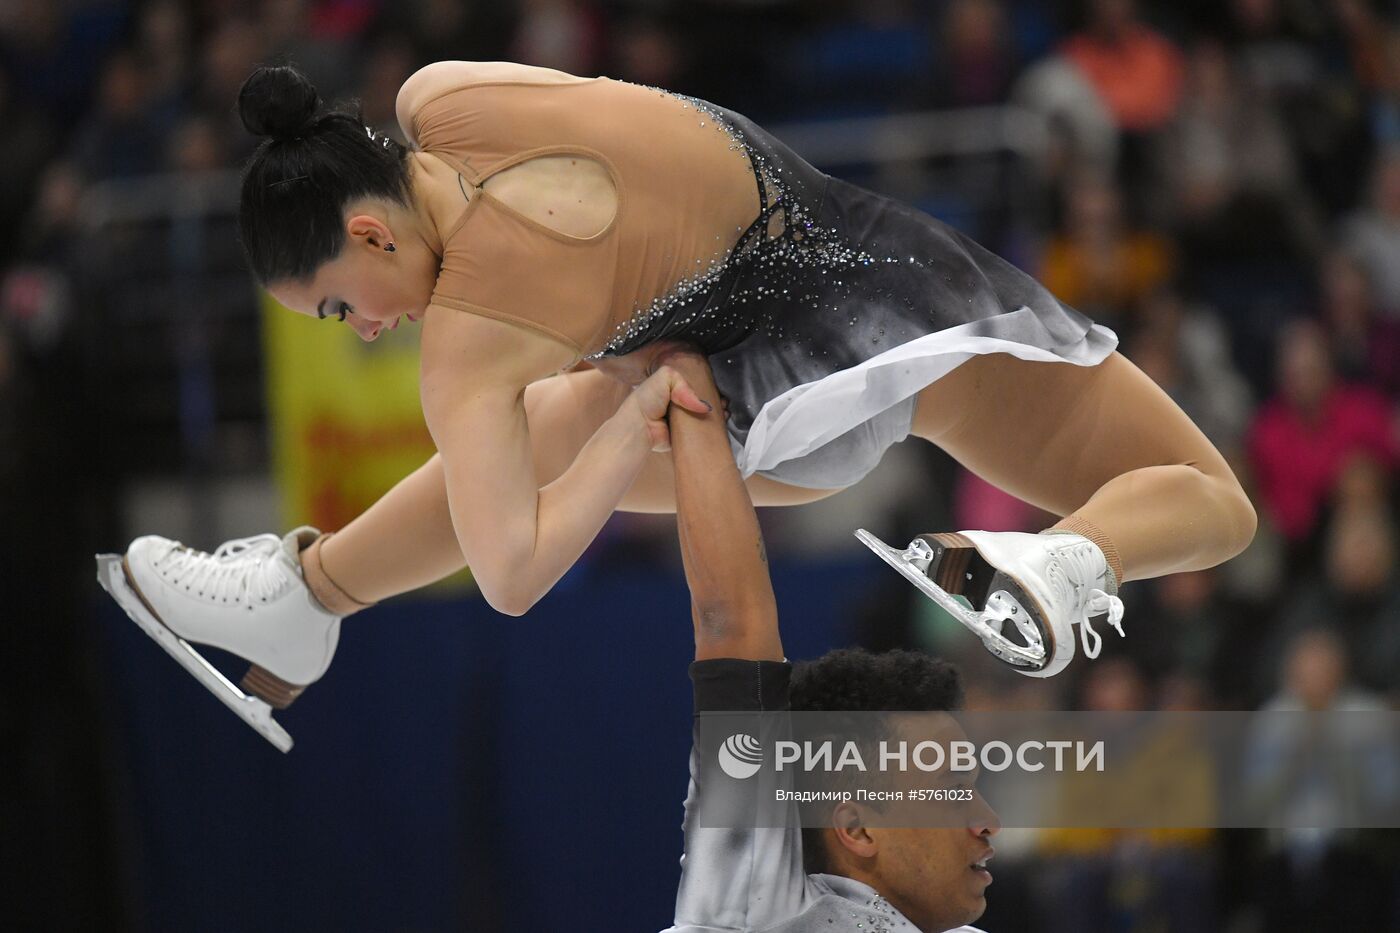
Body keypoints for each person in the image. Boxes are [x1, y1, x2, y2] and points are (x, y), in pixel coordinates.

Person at [103, 61, 1255, 742]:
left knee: (559, 419)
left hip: (778, 406)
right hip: (903, 288)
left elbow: (508, 581)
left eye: (332, 306)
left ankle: (303, 596)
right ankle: (1068, 559)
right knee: (1211, 500)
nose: (357, 329)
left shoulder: (466, 351)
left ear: (364, 233)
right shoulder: (446, 96)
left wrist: (618, 421)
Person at [663, 350, 995, 932]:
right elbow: (731, 623)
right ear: (858, 827)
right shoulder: (754, 907)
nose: (988, 822)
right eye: (951, 789)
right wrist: (686, 384)